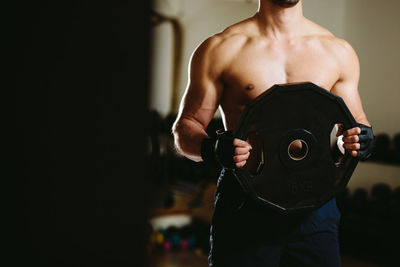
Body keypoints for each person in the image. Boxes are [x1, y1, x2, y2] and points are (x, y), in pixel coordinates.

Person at [172, 0, 375, 266]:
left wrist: (359, 139)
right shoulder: (221, 49)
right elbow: (186, 127)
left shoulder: (336, 51)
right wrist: (213, 148)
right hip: (246, 205)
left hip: (315, 205)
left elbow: (356, 124)